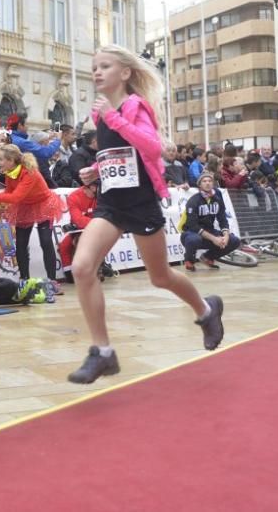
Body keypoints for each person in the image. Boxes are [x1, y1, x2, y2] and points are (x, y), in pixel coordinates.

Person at [67, 46, 224, 384]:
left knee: (160, 277)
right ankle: (103, 352)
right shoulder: (100, 114)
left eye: (105, 66)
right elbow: (120, 153)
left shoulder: (134, 107)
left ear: (124, 73)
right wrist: (96, 168)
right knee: (82, 267)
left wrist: (114, 117)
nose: (97, 72)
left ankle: (207, 311)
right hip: (111, 204)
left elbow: (151, 148)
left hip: (141, 203)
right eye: (94, 67)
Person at [0, 145, 63, 284]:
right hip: (25, 207)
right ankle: (24, 280)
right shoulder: (9, 172)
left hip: (43, 204)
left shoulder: (29, 172)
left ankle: (53, 281)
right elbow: (9, 192)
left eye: (1, 159)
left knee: (45, 241)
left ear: (11, 160)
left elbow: (16, 197)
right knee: (21, 243)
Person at [180, 173, 242, 271]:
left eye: (210, 181)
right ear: (200, 185)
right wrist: (214, 239)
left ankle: (208, 257)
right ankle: (189, 261)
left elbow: (223, 219)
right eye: (204, 181)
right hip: (191, 233)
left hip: (209, 231)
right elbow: (192, 225)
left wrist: (226, 236)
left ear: (213, 184)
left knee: (234, 241)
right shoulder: (193, 201)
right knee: (194, 239)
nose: (207, 183)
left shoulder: (217, 200)